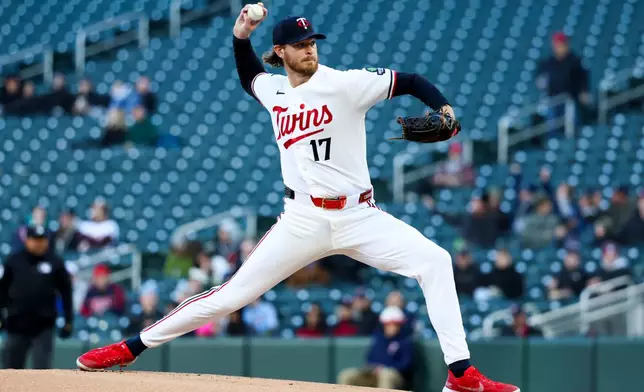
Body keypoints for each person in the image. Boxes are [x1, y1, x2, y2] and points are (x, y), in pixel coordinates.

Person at [76, 6, 519, 391]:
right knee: (228, 297)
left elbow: (411, 80)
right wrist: (240, 34)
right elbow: (249, 74)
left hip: (359, 215)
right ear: (282, 52)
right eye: (300, 43)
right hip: (302, 219)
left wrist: (443, 109)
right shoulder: (275, 90)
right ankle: (130, 347)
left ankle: (460, 374)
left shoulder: (345, 84)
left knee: (436, 261)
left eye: (312, 41)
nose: (310, 49)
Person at [0, 225, 73, 369]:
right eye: (35, 239)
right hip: (16, 324)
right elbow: (2, 290)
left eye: (42, 239)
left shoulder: (55, 262)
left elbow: (66, 292)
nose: (39, 243)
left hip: (43, 326)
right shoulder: (14, 261)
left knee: (42, 369)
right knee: (11, 369)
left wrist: (68, 320)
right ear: (27, 240)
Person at [337, 307, 413, 389]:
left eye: (395, 324)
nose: (392, 327)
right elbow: (369, 358)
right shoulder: (378, 339)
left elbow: (406, 365)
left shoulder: (405, 341)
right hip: (373, 373)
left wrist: (385, 367)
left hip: (394, 376)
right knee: (346, 375)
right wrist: (373, 368)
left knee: (386, 374)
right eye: (388, 324)